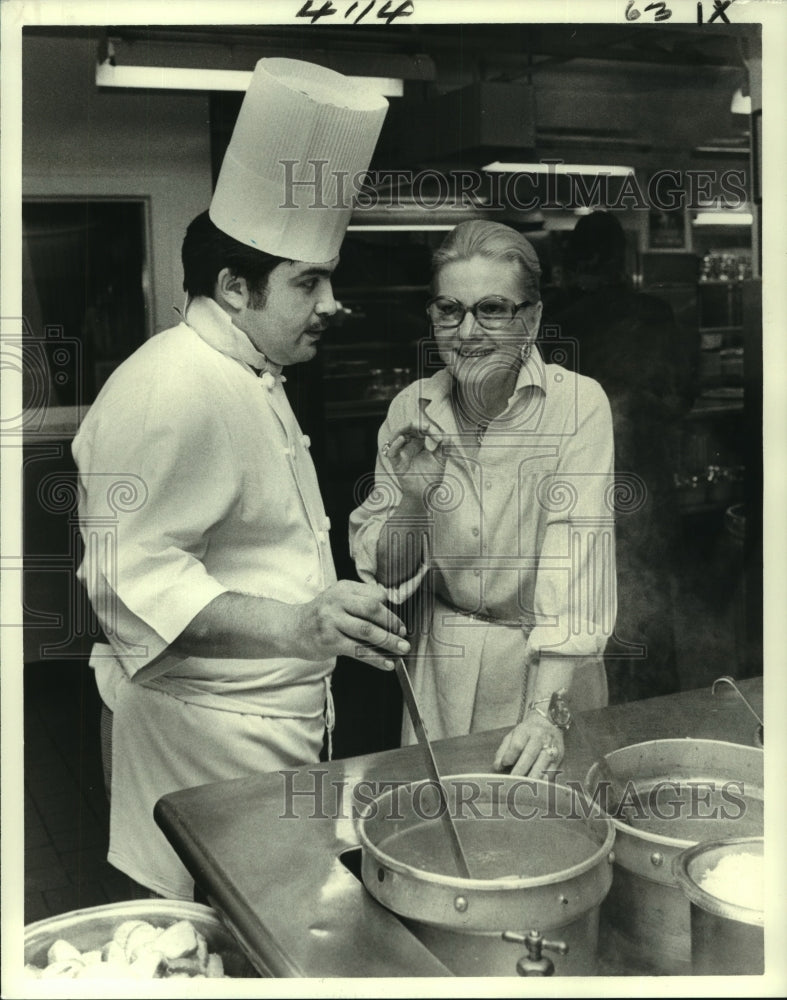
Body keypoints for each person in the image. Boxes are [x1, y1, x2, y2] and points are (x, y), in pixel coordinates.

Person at [71, 58, 406, 901]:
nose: (333, 303)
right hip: (207, 743)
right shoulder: (171, 386)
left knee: (278, 922)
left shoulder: (247, 369)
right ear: (232, 287)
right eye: (308, 282)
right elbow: (130, 579)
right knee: (217, 939)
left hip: (269, 725)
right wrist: (298, 623)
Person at [349, 220, 617, 778]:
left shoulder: (578, 405)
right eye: (450, 310)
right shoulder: (411, 408)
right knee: (440, 835)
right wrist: (416, 502)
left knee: (548, 840)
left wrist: (545, 715)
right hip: (441, 665)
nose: (467, 332)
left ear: (533, 319)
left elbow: (577, 563)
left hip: (548, 671)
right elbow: (387, 572)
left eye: (492, 309)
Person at [546, 210, 698, 702]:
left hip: (583, 495)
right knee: (649, 616)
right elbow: (683, 396)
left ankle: (599, 732)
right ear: (621, 259)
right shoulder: (655, 316)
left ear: (576, 261)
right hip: (649, 490)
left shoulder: (557, 324)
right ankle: (654, 721)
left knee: (589, 613)